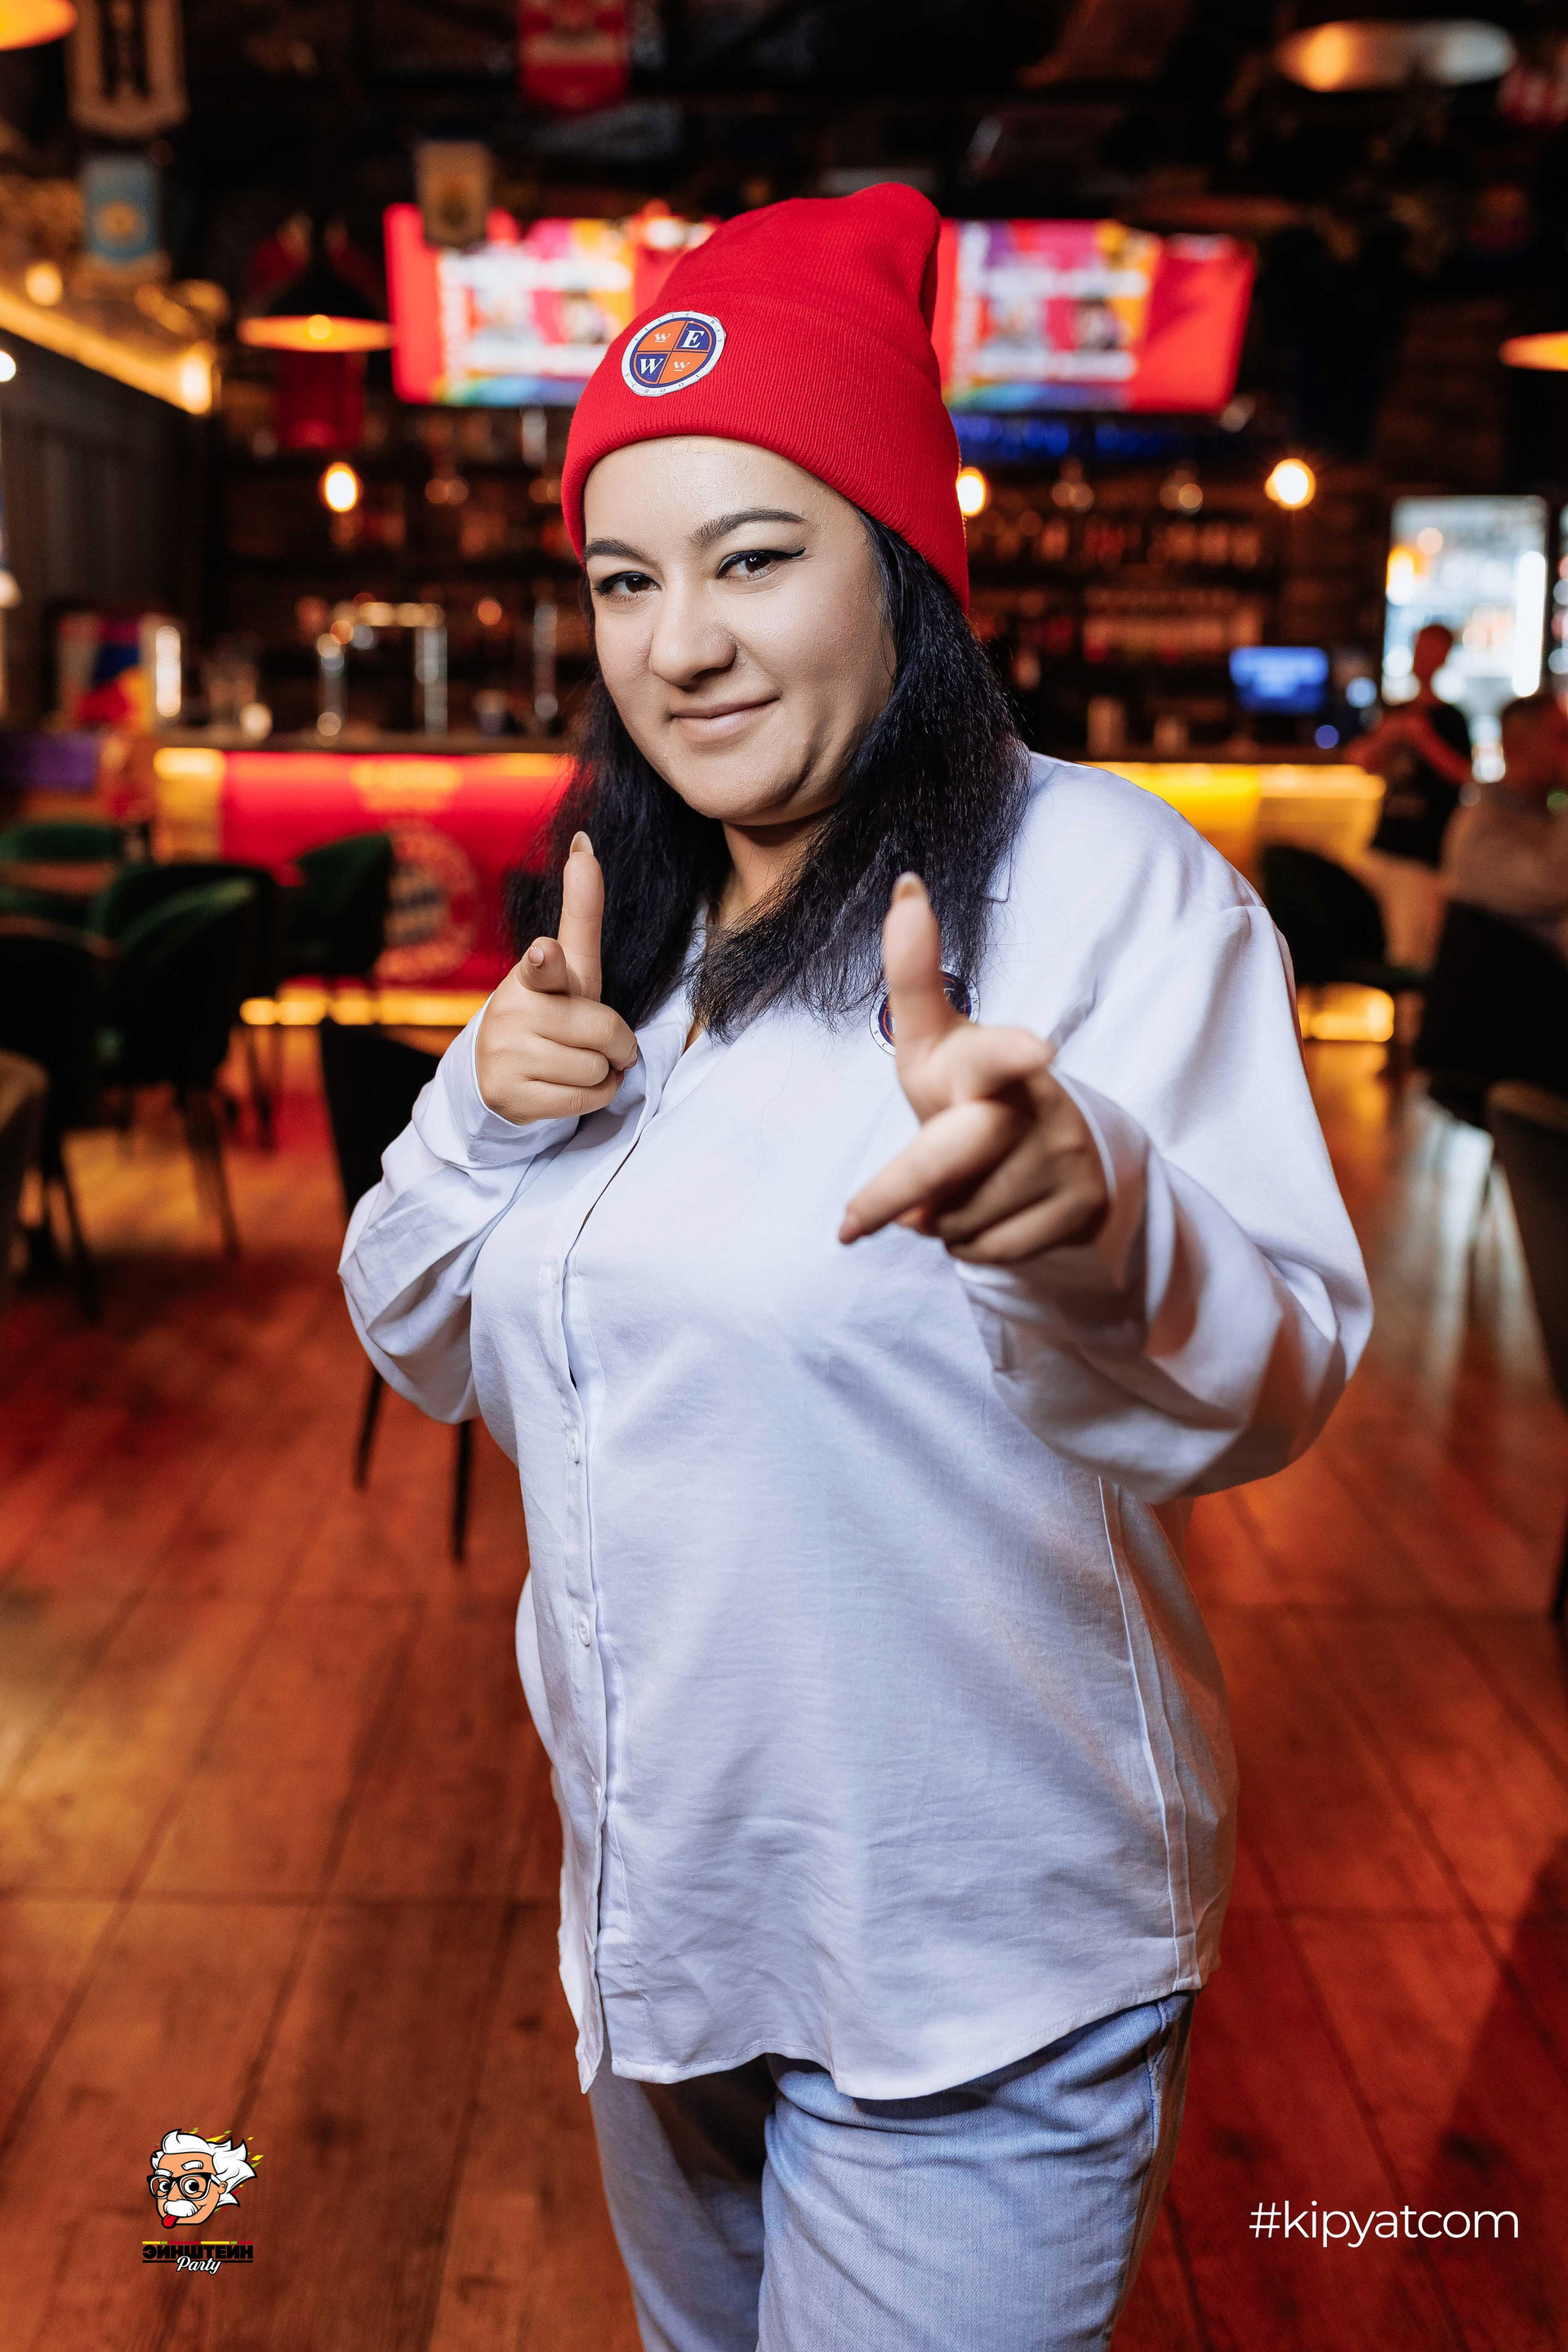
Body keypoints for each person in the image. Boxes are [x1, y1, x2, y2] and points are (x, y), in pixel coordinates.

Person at [339, 186, 1371, 2352]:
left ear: (900, 565)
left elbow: (1278, 1369)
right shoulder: (626, 918)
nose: (678, 646)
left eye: (752, 558)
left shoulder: (1100, 880)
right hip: (665, 1933)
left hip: (976, 1962)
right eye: (626, 579)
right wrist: (477, 1116)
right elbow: (419, 1333)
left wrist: (1092, 1217)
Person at [1349, 621, 1473, 968]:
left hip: (1423, 856)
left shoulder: (1451, 718)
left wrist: (1424, 739)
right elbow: (1362, 760)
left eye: (1432, 650)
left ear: (1445, 657)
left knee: (1410, 956)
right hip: (1381, 847)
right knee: (1366, 948)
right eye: (1420, 649)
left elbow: (1463, 775)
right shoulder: (1396, 711)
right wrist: (1391, 737)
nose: (1424, 658)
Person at [1443, 691, 1568, 960]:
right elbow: (1556, 885)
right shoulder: (1481, 829)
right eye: (1561, 737)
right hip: (1517, 983)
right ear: (1516, 747)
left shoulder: (1542, 813)